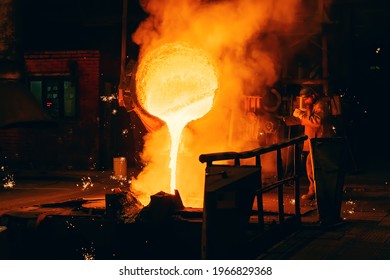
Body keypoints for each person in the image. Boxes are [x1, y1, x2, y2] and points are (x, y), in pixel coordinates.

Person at [290, 87, 334, 200]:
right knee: (313, 167)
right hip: (314, 141)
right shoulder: (313, 105)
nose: (305, 101)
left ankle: (316, 192)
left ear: (313, 96)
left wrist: (301, 115)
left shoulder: (321, 105)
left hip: (320, 140)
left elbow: (316, 121)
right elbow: (309, 119)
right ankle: (318, 192)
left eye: (306, 99)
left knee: (314, 167)